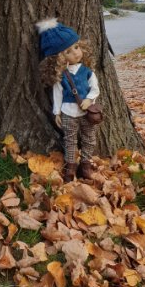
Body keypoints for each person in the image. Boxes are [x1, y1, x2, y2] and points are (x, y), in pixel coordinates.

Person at [36, 19, 100, 183]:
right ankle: (70, 166)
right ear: (58, 58)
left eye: (76, 47)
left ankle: (85, 164)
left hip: (86, 112)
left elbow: (95, 88)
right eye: (68, 52)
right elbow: (57, 93)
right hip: (68, 113)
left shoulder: (87, 71)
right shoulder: (62, 75)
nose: (76, 53)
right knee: (70, 140)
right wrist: (57, 112)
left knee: (89, 138)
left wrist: (89, 99)